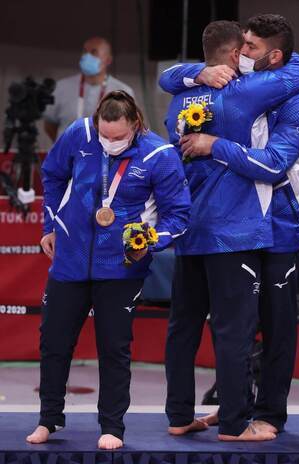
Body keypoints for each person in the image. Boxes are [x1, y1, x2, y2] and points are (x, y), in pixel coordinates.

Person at [160, 20, 299, 441]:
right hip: (238, 226)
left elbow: (272, 164)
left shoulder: (298, 101)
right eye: (241, 45)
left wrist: (214, 144)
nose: (244, 52)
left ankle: (268, 414)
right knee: (234, 328)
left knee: (276, 326)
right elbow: (174, 75)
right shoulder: (239, 90)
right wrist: (197, 72)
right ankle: (236, 415)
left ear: (274, 57)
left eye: (253, 46)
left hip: (278, 226)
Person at [26, 91, 190, 450]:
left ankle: (112, 426)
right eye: (104, 135)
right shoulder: (78, 134)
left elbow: (179, 216)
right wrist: (49, 225)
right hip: (69, 260)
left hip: (121, 266)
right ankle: (48, 419)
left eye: (117, 137)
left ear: (135, 125)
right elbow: (52, 176)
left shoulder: (159, 155)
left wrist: (152, 240)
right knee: (53, 342)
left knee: (114, 348)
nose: (109, 143)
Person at [44, 37, 134, 142]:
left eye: (94, 52)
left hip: (104, 156)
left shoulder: (123, 91)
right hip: (68, 155)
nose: (87, 56)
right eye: (85, 52)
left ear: (108, 60)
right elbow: (49, 126)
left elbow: (130, 129)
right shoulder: (62, 87)